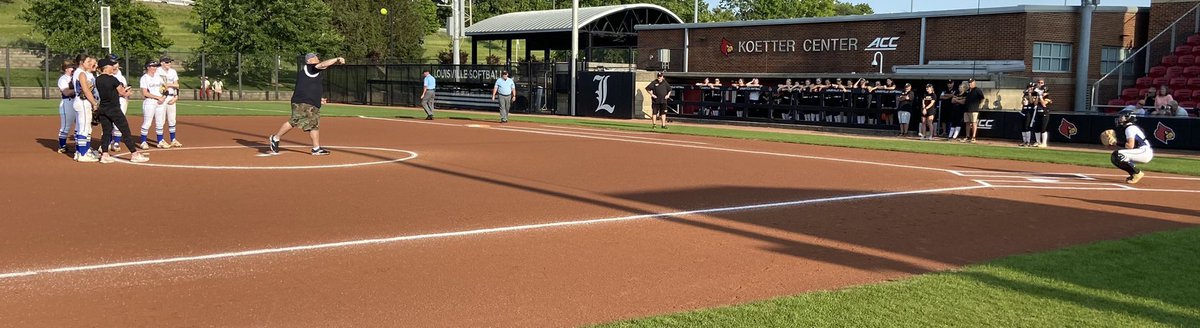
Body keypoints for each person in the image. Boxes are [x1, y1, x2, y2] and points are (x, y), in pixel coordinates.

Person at [267, 53, 345, 156]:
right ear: (309, 61)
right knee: (295, 121)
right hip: (302, 102)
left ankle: (316, 148)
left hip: (310, 102)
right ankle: (275, 138)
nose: (317, 58)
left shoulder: (312, 71)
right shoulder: (310, 68)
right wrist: (337, 59)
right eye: (314, 57)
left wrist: (318, 99)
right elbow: (322, 65)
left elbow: (309, 87)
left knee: (314, 125)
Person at [93, 58, 149, 164]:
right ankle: (134, 154)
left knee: (106, 132)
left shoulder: (98, 79)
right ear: (106, 67)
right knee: (125, 131)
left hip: (103, 108)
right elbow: (122, 92)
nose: (113, 67)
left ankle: (104, 154)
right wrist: (127, 92)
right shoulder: (113, 79)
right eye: (111, 66)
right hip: (114, 108)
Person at [1109, 109, 1152, 184]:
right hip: (1142, 151)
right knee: (1117, 156)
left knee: (1117, 155)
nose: (1119, 118)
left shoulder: (1130, 128)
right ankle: (1134, 174)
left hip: (1144, 151)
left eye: (1121, 117)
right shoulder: (1131, 127)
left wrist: (1115, 143)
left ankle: (1137, 173)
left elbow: (1130, 146)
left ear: (1128, 118)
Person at [72, 55, 99, 162]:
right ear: (81, 62)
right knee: (84, 129)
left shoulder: (78, 72)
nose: (89, 63)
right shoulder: (81, 73)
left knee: (81, 127)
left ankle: (80, 152)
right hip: (83, 102)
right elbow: (86, 90)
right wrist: (94, 103)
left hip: (80, 101)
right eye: (87, 61)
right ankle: (83, 154)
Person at [138, 60, 168, 150]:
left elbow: (165, 89)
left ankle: (160, 141)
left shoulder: (158, 77)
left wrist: (163, 97)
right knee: (147, 122)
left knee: (160, 122)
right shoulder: (144, 78)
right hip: (150, 101)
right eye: (153, 66)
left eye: (156, 66)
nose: (155, 68)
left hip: (160, 102)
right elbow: (145, 93)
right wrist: (157, 97)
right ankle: (143, 141)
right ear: (148, 67)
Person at [156, 56, 182, 147]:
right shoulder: (157, 71)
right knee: (161, 119)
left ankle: (173, 139)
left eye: (170, 62)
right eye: (167, 62)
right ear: (161, 63)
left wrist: (176, 96)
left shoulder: (173, 71)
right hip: (162, 97)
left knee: (172, 119)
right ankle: (160, 140)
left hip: (171, 97)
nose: (169, 64)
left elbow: (177, 85)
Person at [108, 55, 130, 152]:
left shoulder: (121, 76)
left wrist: (126, 98)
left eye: (117, 63)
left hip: (121, 100)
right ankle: (107, 142)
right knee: (108, 123)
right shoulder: (105, 76)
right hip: (110, 101)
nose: (116, 65)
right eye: (113, 63)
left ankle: (116, 142)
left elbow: (125, 91)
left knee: (119, 122)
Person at [55, 61, 77, 154]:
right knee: (66, 126)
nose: (73, 69)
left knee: (79, 125)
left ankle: (79, 146)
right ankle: (62, 146)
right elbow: (66, 92)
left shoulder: (75, 77)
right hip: (67, 103)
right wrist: (80, 89)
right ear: (66, 69)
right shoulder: (63, 79)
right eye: (71, 67)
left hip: (77, 103)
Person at [960, 79, 985, 143]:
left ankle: (973, 137)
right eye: (969, 83)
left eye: (971, 83)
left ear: (974, 83)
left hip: (974, 110)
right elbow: (964, 99)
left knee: (974, 123)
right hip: (967, 109)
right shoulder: (968, 91)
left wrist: (978, 105)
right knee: (967, 123)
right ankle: (967, 136)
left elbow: (982, 98)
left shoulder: (977, 90)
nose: (970, 84)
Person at [1030, 80, 1051, 147]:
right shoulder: (1037, 94)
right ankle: (1038, 141)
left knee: (1043, 128)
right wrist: (1037, 96)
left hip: (1044, 112)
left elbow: (1044, 104)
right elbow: (1034, 103)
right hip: (1037, 112)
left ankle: (1044, 143)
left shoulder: (1047, 96)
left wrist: (1041, 96)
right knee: (1036, 128)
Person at [1019, 82, 1037, 147]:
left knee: (1027, 126)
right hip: (1024, 110)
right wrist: (1024, 99)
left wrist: (1029, 94)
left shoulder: (1034, 93)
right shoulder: (1025, 93)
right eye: (1029, 87)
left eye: (1031, 87)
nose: (1030, 88)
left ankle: (1028, 142)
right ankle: (1024, 141)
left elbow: (1032, 102)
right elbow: (1022, 102)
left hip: (1030, 111)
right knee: (1023, 127)